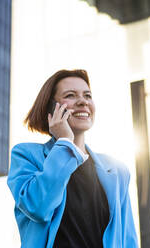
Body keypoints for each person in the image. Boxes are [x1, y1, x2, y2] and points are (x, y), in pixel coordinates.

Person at [7, 69, 138, 248]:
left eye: (87, 95)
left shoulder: (117, 171)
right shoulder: (26, 155)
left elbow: (128, 240)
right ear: (51, 109)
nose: (83, 101)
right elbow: (37, 206)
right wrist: (64, 143)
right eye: (70, 95)